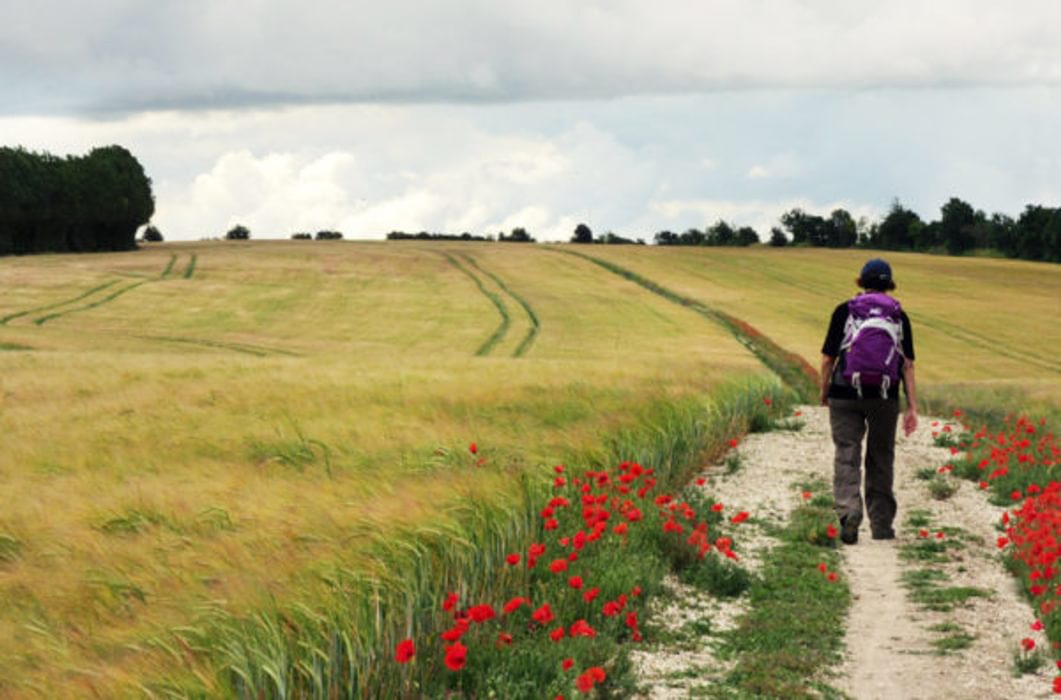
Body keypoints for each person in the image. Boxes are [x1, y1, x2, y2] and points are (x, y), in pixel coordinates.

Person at [820, 258, 918, 544]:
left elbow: (828, 358)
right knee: (881, 456)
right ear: (889, 285)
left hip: (844, 392)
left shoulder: (845, 311)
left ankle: (849, 512)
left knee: (846, 453)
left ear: (860, 282)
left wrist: (824, 390)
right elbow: (907, 365)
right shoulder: (899, 316)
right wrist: (912, 406)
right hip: (885, 396)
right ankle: (882, 525)